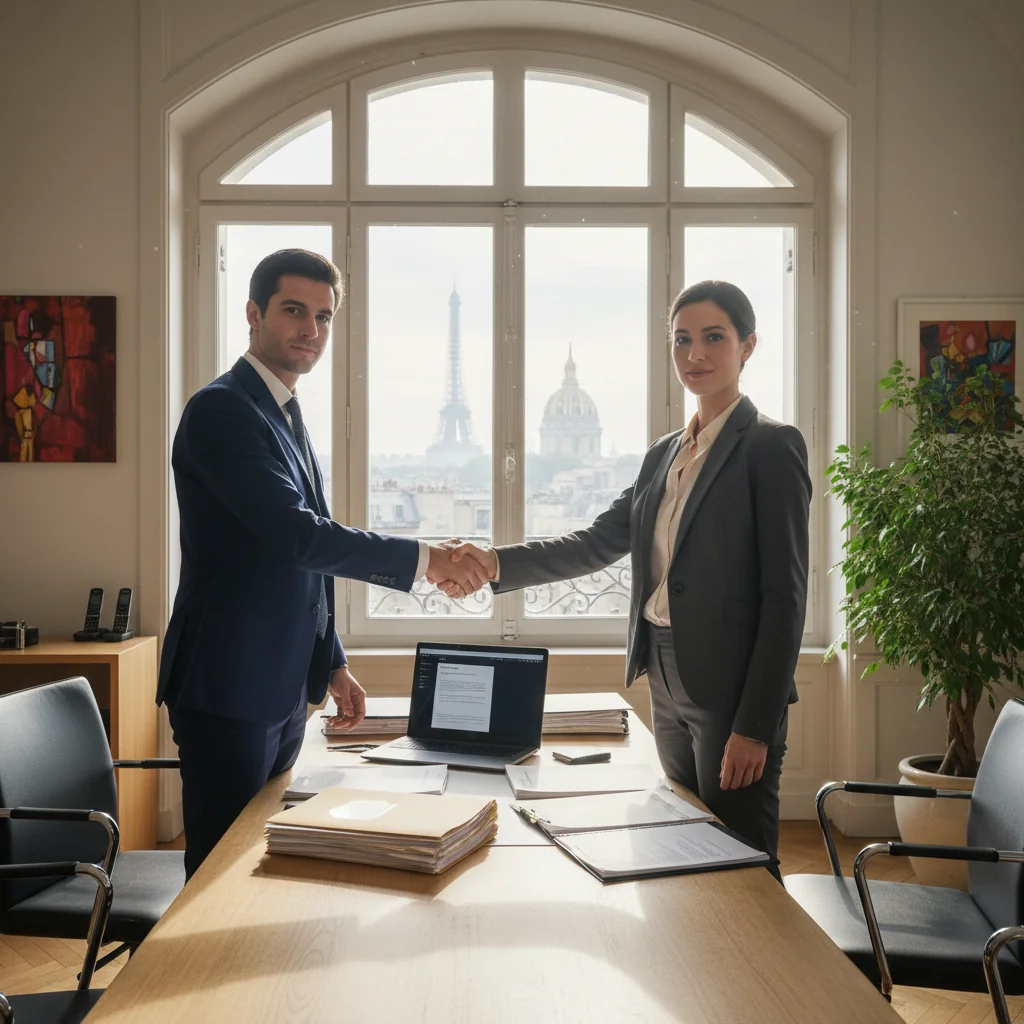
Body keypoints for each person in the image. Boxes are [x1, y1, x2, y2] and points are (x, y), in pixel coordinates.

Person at [442, 280, 811, 880]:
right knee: (683, 840)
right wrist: (493, 562)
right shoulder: (663, 454)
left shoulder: (769, 446)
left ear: (748, 347)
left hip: (731, 687)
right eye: (682, 339)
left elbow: (786, 599)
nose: (696, 354)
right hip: (664, 672)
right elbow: (593, 544)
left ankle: (762, 972)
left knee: (739, 858)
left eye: (714, 337)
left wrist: (754, 725)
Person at [157, 248, 487, 878]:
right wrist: (426, 558)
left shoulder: (281, 408)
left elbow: (292, 565)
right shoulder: (223, 409)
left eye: (324, 316)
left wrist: (329, 660)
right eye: (293, 310)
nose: (311, 329)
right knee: (221, 872)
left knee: (267, 857)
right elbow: (298, 537)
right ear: (253, 314)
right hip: (231, 685)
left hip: (280, 687)